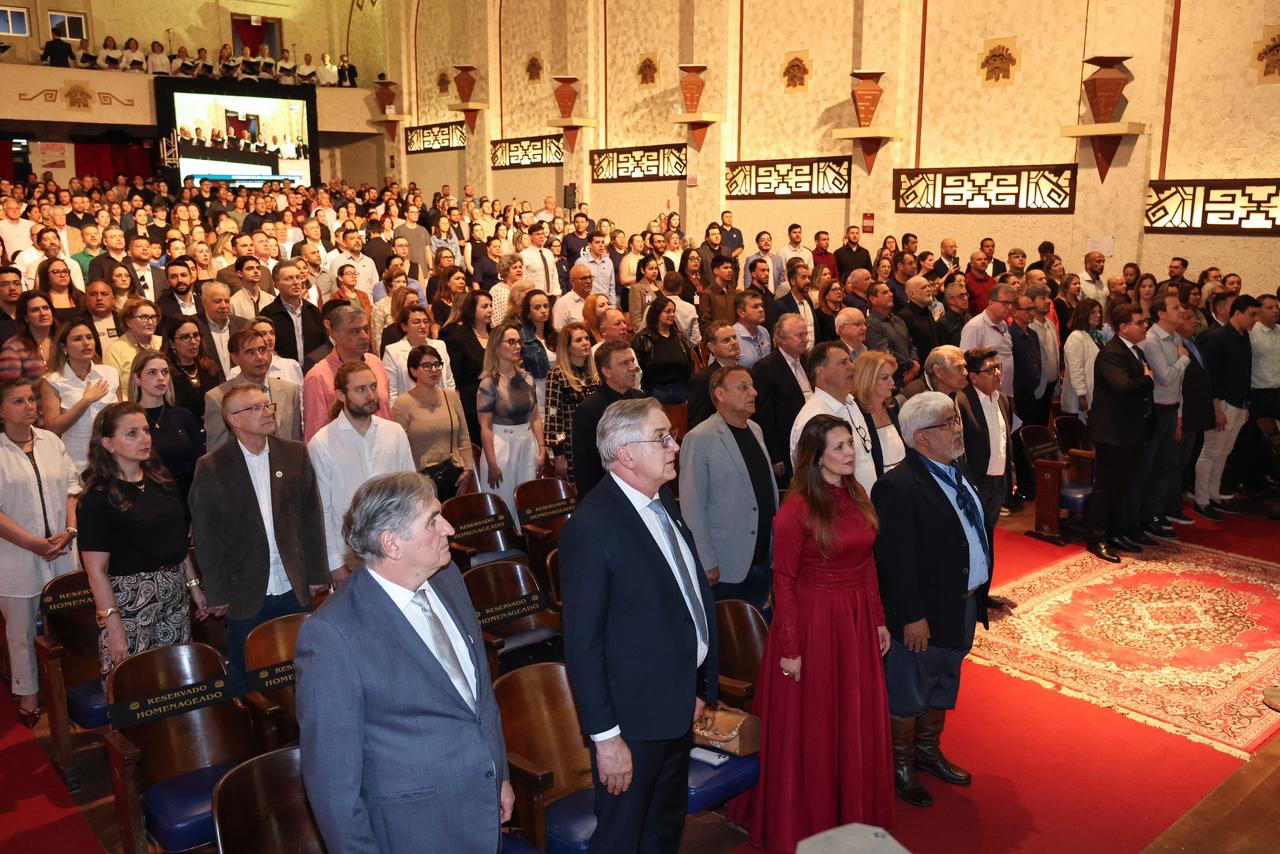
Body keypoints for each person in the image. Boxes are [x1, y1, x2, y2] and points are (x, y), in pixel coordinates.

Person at [296, 472, 513, 853]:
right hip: (415, 831)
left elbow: (480, 694)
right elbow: (333, 786)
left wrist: (500, 773)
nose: (448, 528)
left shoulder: (448, 578)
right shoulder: (332, 635)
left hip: (481, 808)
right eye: (432, 520)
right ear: (392, 544)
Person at [560, 397, 718, 853]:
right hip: (631, 724)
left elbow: (684, 598)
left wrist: (698, 686)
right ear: (625, 454)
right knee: (622, 840)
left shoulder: (661, 501)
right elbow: (583, 646)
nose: (674, 445)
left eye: (671, 435)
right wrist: (606, 739)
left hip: (675, 706)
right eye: (661, 437)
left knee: (663, 833)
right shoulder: (591, 527)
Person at [728, 414, 893, 848]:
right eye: (839, 447)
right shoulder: (795, 511)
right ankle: (807, 818)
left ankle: (850, 808)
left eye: (850, 444)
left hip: (856, 619)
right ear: (817, 457)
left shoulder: (857, 494)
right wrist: (790, 648)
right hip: (816, 622)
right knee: (816, 725)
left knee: (852, 719)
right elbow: (783, 582)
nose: (849, 453)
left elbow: (868, 563)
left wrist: (878, 619)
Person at [874, 391, 989, 809]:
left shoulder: (957, 470)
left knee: (944, 678)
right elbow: (895, 562)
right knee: (909, 690)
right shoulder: (898, 487)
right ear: (921, 437)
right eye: (948, 423)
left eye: (955, 420)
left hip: (962, 601)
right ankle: (901, 766)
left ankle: (927, 750)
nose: (958, 430)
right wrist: (911, 616)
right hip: (923, 612)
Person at [190, 384, 330, 695]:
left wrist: (318, 573)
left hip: (293, 584)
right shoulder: (212, 466)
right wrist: (216, 592)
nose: (266, 412)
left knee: (304, 670)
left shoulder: (294, 453)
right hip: (244, 591)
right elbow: (207, 535)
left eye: (267, 405)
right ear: (233, 419)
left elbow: (311, 518)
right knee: (249, 675)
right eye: (255, 408)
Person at [79, 402, 207, 679]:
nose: (145, 439)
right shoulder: (97, 496)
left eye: (146, 430)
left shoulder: (161, 479)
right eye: (132, 433)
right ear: (108, 444)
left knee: (177, 681)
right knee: (134, 685)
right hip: (128, 600)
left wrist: (194, 586)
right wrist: (113, 625)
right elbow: (96, 571)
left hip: (174, 590)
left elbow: (178, 543)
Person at [0, 378, 80, 727]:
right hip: (15, 554)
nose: (29, 406)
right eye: (18, 401)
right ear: (1, 411)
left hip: (62, 548)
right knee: (20, 630)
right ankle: (28, 692)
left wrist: (70, 530)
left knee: (70, 620)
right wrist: (31, 543)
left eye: (31, 399)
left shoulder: (51, 441)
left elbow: (72, 489)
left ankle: (74, 683)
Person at [679, 365, 778, 608]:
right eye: (743, 387)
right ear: (720, 394)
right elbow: (692, 505)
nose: (754, 392)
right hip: (726, 564)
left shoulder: (755, 429)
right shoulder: (699, 438)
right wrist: (706, 560)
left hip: (763, 555)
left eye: (752, 386)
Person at [308, 360, 415, 586]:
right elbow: (322, 510)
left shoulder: (394, 432)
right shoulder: (322, 443)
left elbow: (411, 493)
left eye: (373, 387)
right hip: (351, 553)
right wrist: (335, 563)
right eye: (360, 389)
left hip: (398, 544)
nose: (371, 395)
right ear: (340, 395)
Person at [1085, 303, 1156, 563]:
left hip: (1130, 430)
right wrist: (1148, 380)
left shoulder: (1135, 350)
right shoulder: (1112, 352)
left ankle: (1114, 532)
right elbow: (1122, 386)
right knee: (1106, 487)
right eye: (1139, 322)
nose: (1145, 326)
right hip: (1112, 432)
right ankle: (1096, 538)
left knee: (1122, 485)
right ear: (1123, 327)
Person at [1193, 295, 1261, 519]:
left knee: (1224, 452)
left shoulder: (1244, 336)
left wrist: (1246, 404)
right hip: (1221, 404)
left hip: (1239, 404)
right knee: (1211, 451)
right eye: (1251, 315)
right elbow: (1210, 377)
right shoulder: (1218, 338)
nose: (1254, 320)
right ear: (1237, 312)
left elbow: (1244, 372)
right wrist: (1216, 409)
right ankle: (1201, 500)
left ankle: (1214, 495)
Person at [478, 323, 545, 527]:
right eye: (511, 342)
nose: (517, 346)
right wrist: (491, 462)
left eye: (519, 342)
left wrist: (542, 449)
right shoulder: (488, 383)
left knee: (529, 503)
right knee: (503, 504)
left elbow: (535, 418)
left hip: (527, 444)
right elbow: (485, 427)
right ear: (497, 346)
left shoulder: (527, 378)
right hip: (500, 446)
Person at [393, 344, 473, 500]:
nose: (434, 369)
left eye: (437, 364)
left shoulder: (451, 396)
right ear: (413, 371)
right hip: (421, 479)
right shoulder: (402, 404)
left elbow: (463, 436)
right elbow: (400, 447)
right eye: (427, 366)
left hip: (454, 473)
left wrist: (468, 468)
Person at [303, 305, 392, 441]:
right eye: (355, 331)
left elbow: (386, 411)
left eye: (366, 329)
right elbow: (315, 433)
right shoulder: (318, 377)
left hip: (383, 443)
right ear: (335, 334)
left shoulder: (375, 363)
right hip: (343, 450)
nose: (364, 336)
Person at [203, 329, 303, 451]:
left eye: (262, 350)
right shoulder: (218, 398)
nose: (259, 357)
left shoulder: (290, 390)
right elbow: (217, 451)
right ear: (235, 358)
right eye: (251, 352)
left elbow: (296, 443)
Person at [41, 320, 118, 472]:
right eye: (77, 339)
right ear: (64, 347)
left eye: (89, 337)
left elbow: (121, 418)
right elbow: (53, 428)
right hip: (74, 462)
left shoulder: (111, 373)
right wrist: (85, 401)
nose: (86, 343)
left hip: (112, 458)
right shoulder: (52, 381)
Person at [572, 340, 644, 496]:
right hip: (610, 492)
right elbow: (586, 468)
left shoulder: (641, 399)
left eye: (632, 361)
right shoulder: (589, 410)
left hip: (643, 485)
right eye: (624, 363)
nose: (633, 367)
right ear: (606, 372)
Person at [956, 347, 1013, 538]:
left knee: (988, 533)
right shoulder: (962, 402)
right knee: (971, 534)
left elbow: (1006, 441)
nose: (997, 373)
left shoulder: (1002, 400)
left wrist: (1010, 475)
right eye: (990, 370)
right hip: (975, 480)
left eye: (997, 367)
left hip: (998, 479)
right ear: (973, 377)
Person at [752, 314, 812, 486]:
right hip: (785, 444)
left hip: (810, 438)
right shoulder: (765, 367)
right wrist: (774, 454)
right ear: (782, 338)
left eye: (806, 334)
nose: (805, 339)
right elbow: (764, 415)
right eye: (799, 335)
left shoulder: (807, 361)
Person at [544, 322, 601, 483]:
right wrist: (559, 455)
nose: (585, 343)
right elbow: (553, 417)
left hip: (597, 443)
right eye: (578, 340)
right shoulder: (557, 375)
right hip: (572, 446)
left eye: (586, 338)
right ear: (567, 347)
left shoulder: (595, 374)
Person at [440, 291, 492, 443]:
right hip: (472, 402)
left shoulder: (496, 334)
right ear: (472, 310)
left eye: (491, 306)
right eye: (484, 306)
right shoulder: (459, 337)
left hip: (498, 399)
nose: (490, 310)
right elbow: (454, 376)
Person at [853, 350, 906, 481]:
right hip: (877, 484)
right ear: (867, 379)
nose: (892, 383)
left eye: (892, 376)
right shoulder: (856, 412)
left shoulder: (892, 406)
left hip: (903, 480)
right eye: (885, 378)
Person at [631, 296, 695, 405]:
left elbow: (689, 363)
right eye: (668, 311)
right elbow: (639, 368)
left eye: (674, 311)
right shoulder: (642, 338)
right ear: (657, 313)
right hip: (655, 390)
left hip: (681, 388)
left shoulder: (679, 336)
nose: (672, 315)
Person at [165, 317, 224, 422]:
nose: (193, 341)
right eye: (185, 337)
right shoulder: (166, 373)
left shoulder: (211, 368)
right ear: (172, 343)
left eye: (196, 335)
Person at [688, 321, 742, 431]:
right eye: (726, 340)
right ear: (711, 347)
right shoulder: (703, 380)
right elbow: (697, 424)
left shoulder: (747, 373)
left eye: (734, 337)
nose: (733, 342)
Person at [0, 292, 55, 384]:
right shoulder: (13, 348)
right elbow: (10, 388)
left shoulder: (61, 342)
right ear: (25, 317)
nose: (43, 313)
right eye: (35, 310)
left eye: (46, 308)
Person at [1061, 299, 1103, 419]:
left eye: (1099, 312)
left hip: (1093, 392)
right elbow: (1075, 369)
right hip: (1078, 398)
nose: (1098, 315)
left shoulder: (1093, 335)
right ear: (1083, 314)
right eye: (1093, 312)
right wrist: (1081, 394)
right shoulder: (1076, 337)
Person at [519, 288, 557, 411]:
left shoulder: (556, 336)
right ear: (528, 312)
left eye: (546, 306)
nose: (543, 310)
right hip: (534, 395)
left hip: (556, 394)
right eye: (537, 307)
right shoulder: (521, 337)